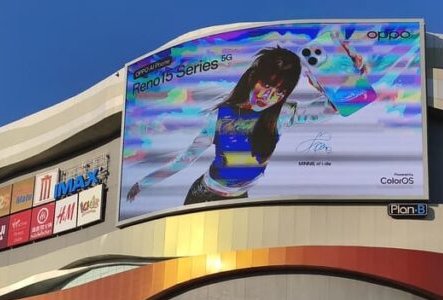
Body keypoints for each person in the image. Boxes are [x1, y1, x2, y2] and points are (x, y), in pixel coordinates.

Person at [125, 35, 406, 208]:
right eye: (266, 85)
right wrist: (144, 183)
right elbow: (185, 159)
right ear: (253, 78)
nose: (269, 96)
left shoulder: (282, 116)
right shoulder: (220, 117)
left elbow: (337, 108)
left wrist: (345, 81)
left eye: (279, 92)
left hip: (239, 198)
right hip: (202, 194)